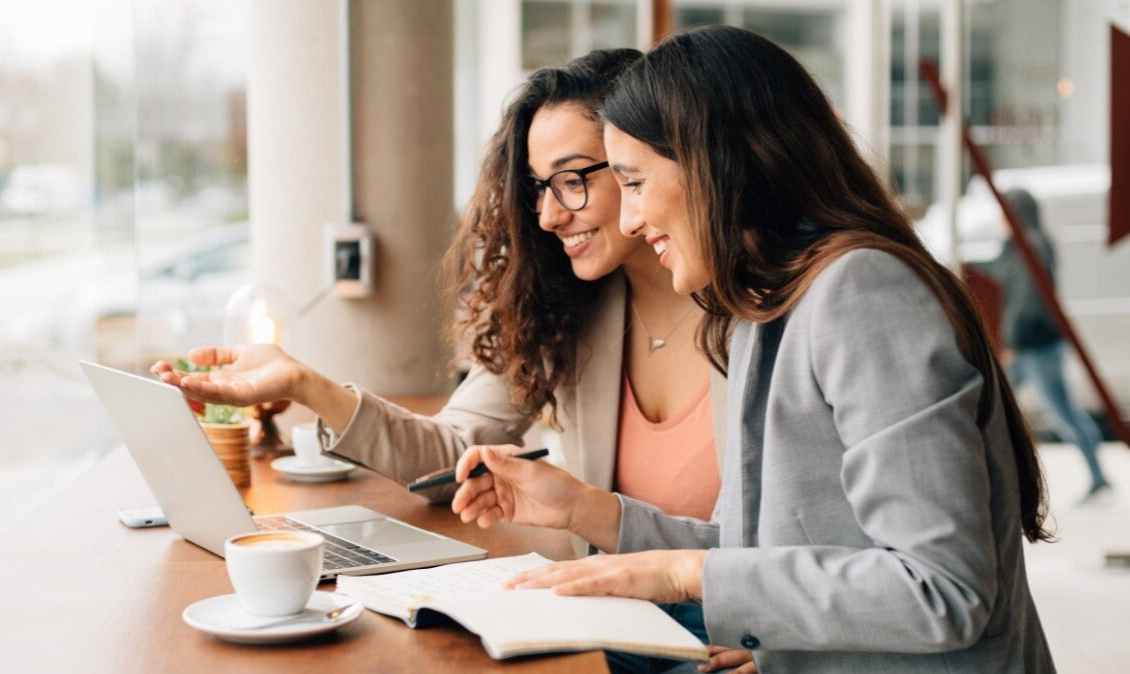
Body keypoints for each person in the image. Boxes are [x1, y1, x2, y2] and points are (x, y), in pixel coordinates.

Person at [451, 25, 1055, 673]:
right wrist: (584, 509)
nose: (627, 220)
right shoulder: (761, 310)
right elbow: (764, 548)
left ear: (713, 165)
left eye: (633, 183)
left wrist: (689, 575)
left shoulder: (862, 292)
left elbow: (942, 592)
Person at [152, 49, 751, 672]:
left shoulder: (760, 312)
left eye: (574, 179)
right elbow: (455, 455)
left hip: (725, 631)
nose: (548, 215)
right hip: (611, 621)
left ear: (643, 161)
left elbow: (822, 541)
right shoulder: (569, 305)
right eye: (539, 188)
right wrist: (305, 384)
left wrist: (784, 638)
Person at [972, 187, 1110, 503]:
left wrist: (1013, 343)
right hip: (1025, 346)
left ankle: (1099, 478)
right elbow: (996, 271)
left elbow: (1028, 302)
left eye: (1003, 212)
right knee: (995, 406)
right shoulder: (1016, 247)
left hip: (1035, 346)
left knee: (1062, 414)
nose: (998, 219)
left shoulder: (1031, 246)